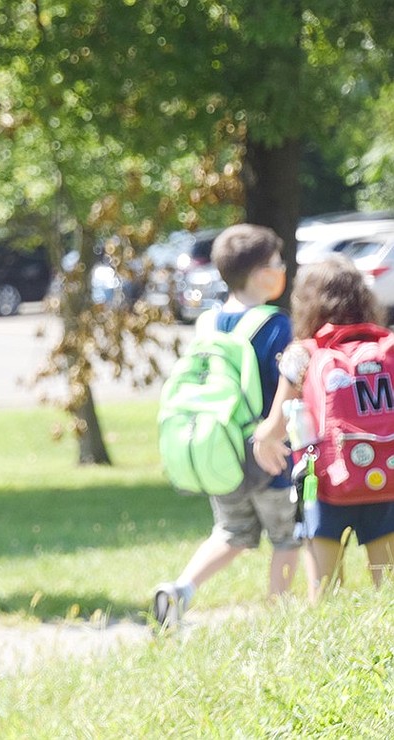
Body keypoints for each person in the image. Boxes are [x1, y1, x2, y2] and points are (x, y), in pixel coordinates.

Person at [153, 223, 299, 628]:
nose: (282, 268)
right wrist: (276, 435)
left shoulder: (209, 322)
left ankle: (181, 589)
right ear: (258, 273)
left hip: (222, 449)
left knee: (231, 531)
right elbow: (287, 388)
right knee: (288, 538)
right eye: (276, 263)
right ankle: (278, 620)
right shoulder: (274, 325)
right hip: (269, 450)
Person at [252, 256, 394, 599]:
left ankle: (333, 649)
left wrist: (261, 439)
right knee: (389, 592)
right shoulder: (387, 346)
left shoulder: (303, 353)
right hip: (387, 478)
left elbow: (275, 427)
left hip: (326, 485)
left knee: (326, 594)